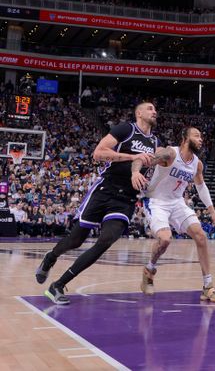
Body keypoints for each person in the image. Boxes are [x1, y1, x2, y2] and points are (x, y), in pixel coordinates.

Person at [35, 102, 159, 305]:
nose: (154, 112)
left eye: (155, 109)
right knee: (76, 240)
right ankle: (51, 257)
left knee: (106, 241)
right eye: (149, 108)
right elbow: (98, 153)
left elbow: (149, 167)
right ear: (138, 113)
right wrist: (132, 157)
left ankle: (57, 285)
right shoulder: (126, 129)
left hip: (126, 198)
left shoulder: (155, 142)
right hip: (105, 190)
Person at [140, 127, 215, 302]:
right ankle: (149, 270)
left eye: (201, 136)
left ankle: (208, 286)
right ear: (185, 139)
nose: (201, 139)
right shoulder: (170, 153)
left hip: (177, 202)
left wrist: (212, 211)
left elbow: (201, 187)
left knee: (201, 236)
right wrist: (138, 170)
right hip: (156, 202)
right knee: (164, 240)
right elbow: (146, 162)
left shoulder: (197, 164)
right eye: (197, 135)